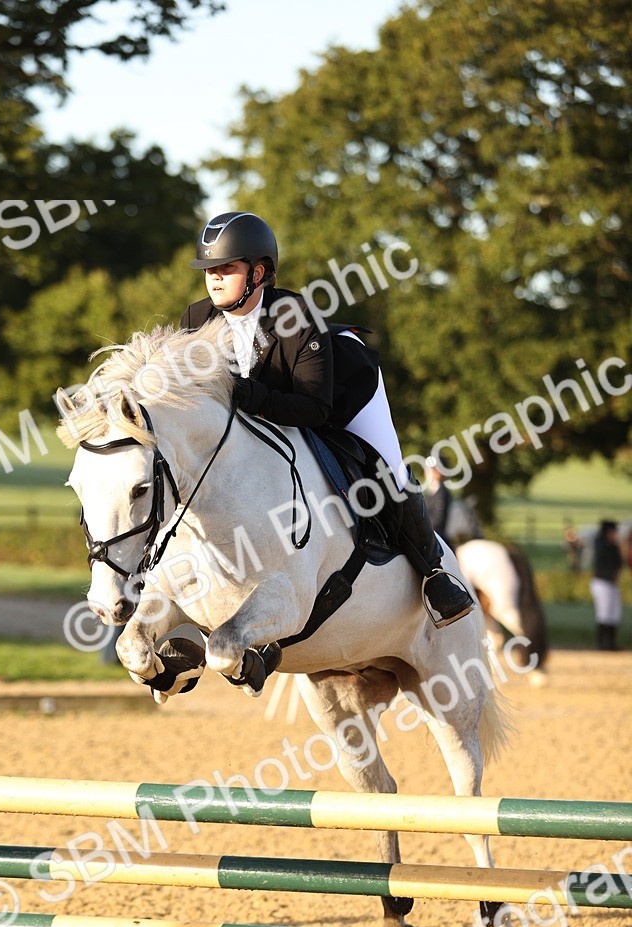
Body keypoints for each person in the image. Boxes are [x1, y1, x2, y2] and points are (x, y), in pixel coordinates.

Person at [180, 211, 473, 627]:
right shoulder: (196, 320)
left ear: (258, 272)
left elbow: (313, 409)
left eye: (226, 268)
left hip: (345, 395)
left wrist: (247, 394)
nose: (214, 278)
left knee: (385, 468)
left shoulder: (297, 315)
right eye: (209, 269)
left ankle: (435, 575)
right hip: (265, 409)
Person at [590, 519, 623, 651]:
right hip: (602, 582)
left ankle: (611, 643)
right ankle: (603, 643)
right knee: (604, 613)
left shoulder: (613, 547)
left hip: (611, 583)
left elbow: (619, 563)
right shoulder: (601, 546)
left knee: (614, 613)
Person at [423, 456, 451, 538]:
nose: (428, 472)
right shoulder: (430, 492)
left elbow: (437, 521)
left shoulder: (442, 493)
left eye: (432, 470)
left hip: (438, 537)